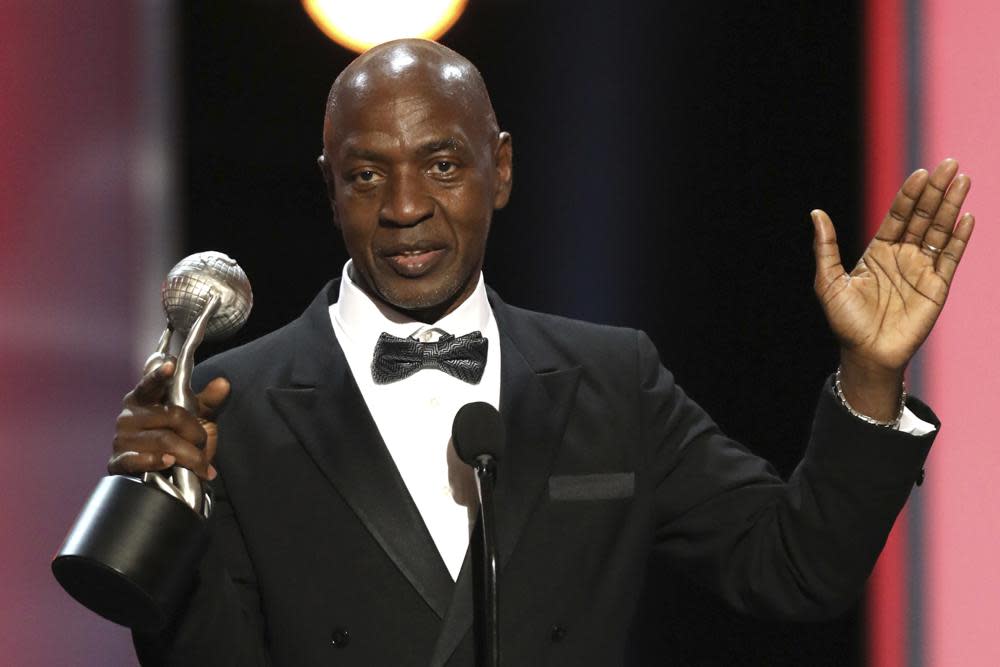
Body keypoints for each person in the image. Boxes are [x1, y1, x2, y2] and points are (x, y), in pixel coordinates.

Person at [110, 39, 975, 666]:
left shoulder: (611, 380)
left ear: (503, 168)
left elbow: (795, 570)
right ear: (330, 187)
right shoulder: (236, 402)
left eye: (442, 165)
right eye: (367, 174)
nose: (405, 205)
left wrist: (869, 373)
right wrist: (165, 526)